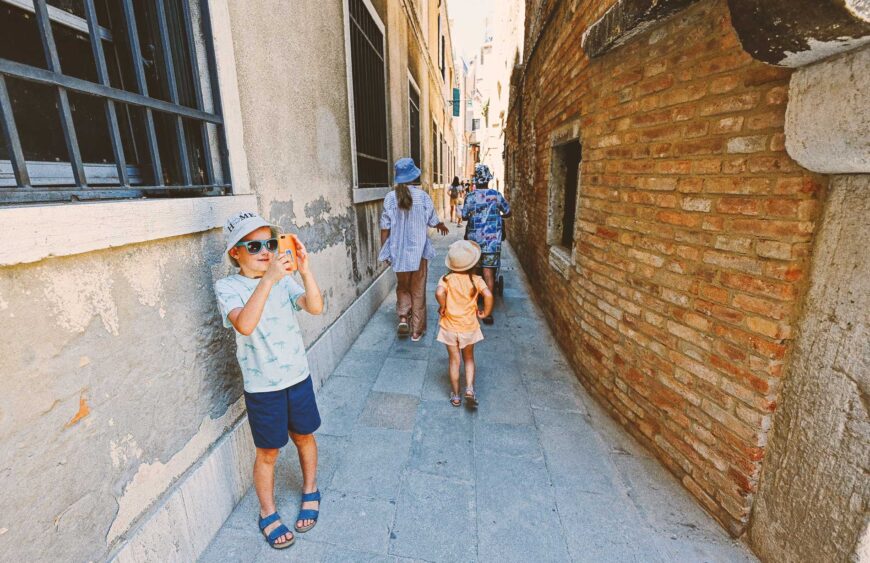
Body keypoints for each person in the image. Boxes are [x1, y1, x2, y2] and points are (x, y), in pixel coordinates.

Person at [214, 211, 325, 550]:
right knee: (268, 452)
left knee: (304, 436)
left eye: (271, 244)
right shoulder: (228, 287)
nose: (266, 251)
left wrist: (305, 272)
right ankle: (268, 511)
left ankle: (310, 489)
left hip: (297, 377)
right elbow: (245, 325)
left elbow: (315, 307)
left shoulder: (284, 280)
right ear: (236, 252)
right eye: (255, 246)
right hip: (263, 388)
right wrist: (268, 281)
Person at [379, 157, 450, 341]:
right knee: (418, 289)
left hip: (398, 253)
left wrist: (385, 250)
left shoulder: (390, 198)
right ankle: (416, 331)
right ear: (413, 176)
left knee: (403, 286)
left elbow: (385, 228)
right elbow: (433, 220)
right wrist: (440, 225)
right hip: (419, 253)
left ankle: (403, 317)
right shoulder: (423, 197)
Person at [436, 240, 493, 406]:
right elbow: (488, 295)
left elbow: (439, 293)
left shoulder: (446, 279)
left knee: (454, 361)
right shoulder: (476, 280)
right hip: (468, 327)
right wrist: (486, 313)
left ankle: (455, 395)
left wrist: (443, 306)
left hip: (449, 326)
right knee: (468, 358)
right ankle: (469, 389)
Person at [462, 163, 511, 325]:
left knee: (475, 273)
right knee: (489, 273)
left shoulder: (470, 197)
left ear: (476, 180)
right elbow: (508, 212)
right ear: (488, 180)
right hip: (492, 242)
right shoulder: (496, 195)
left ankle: (473, 305)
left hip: (474, 243)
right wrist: (496, 215)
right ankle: (488, 312)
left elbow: (464, 216)